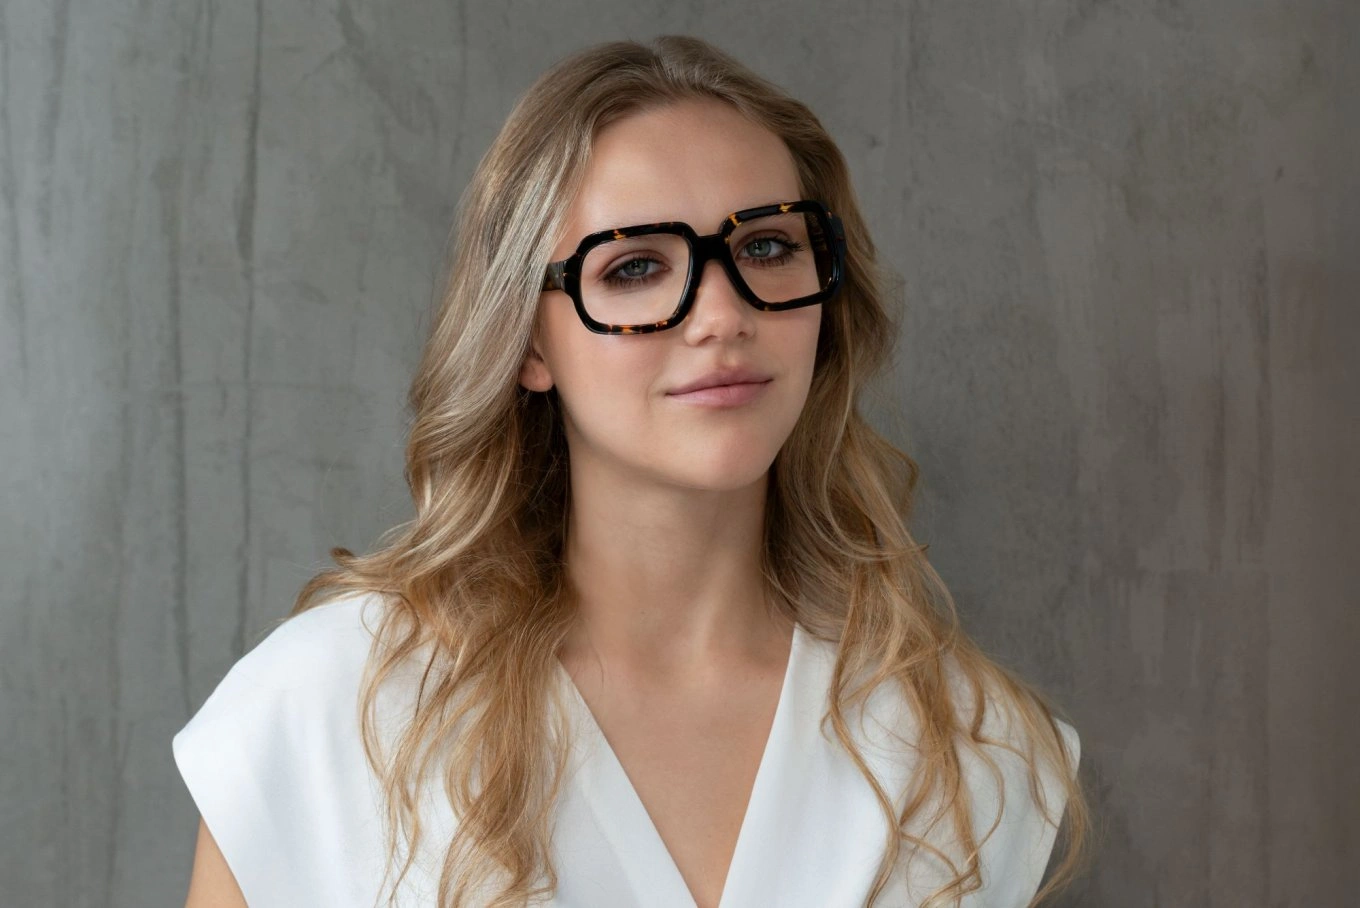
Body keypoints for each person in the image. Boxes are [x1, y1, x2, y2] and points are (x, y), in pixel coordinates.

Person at [174, 35, 1090, 908]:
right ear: (528, 342)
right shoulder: (334, 711)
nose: (722, 316)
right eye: (636, 266)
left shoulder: (973, 751)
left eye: (768, 248)